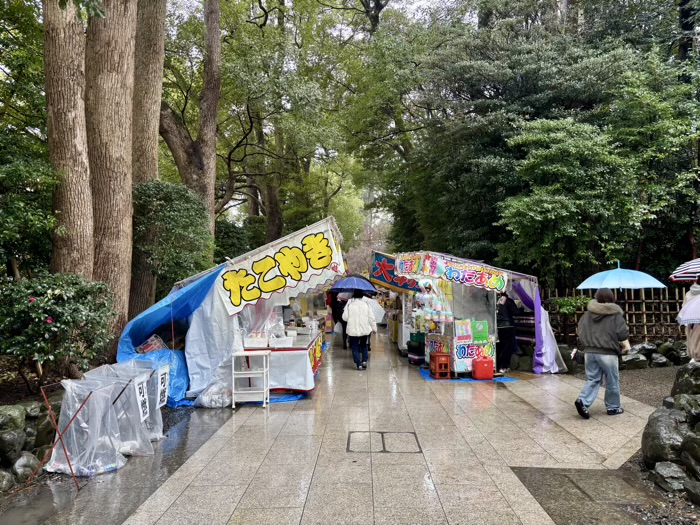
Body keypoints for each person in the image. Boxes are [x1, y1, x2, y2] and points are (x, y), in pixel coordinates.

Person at [574, 288, 629, 419]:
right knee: (612, 380)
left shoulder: (587, 314)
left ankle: (583, 401)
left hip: (590, 352)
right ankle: (613, 407)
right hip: (608, 353)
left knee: (593, 378)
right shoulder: (615, 315)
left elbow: (579, 332)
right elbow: (623, 334)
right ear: (612, 299)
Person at [343, 290, 377, 370]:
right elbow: (371, 317)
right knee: (363, 345)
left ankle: (359, 364)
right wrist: (374, 328)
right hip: (364, 329)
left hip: (352, 330)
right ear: (362, 297)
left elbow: (345, 318)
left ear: (354, 296)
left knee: (355, 346)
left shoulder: (349, 305)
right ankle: (364, 360)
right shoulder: (366, 305)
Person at [496, 292, 519, 373]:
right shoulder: (509, 301)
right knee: (507, 347)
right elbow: (516, 312)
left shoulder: (494, 300)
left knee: (498, 347)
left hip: (497, 326)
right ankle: (504, 366)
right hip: (508, 326)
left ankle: (497, 366)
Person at [684, 280, 700, 362]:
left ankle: (694, 358)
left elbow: (684, 308)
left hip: (690, 321)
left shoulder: (689, 293)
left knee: (693, 341)